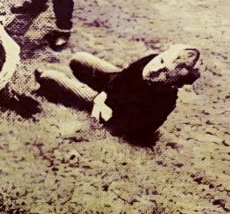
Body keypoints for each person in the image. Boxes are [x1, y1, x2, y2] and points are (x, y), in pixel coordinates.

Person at [34, 45, 201, 145]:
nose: (157, 68)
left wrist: (99, 104)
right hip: (112, 89)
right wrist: (104, 94)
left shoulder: (165, 101)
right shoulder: (152, 59)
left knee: (50, 76)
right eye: (161, 61)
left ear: (175, 81)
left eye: (166, 71)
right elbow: (124, 76)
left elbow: (131, 128)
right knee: (80, 59)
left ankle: (59, 83)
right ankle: (91, 88)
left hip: (113, 111)